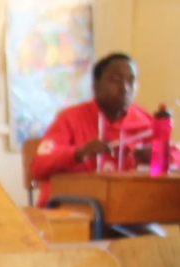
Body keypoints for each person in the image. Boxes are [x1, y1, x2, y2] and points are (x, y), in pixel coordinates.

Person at [31, 52, 176, 212]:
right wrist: (78, 153)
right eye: (115, 80)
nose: (125, 88)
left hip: (128, 212)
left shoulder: (146, 122)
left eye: (131, 81)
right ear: (96, 85)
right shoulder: (70, 118)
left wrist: (160, 156)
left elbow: (175, 158)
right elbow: (39, 166)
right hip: (74, 210)